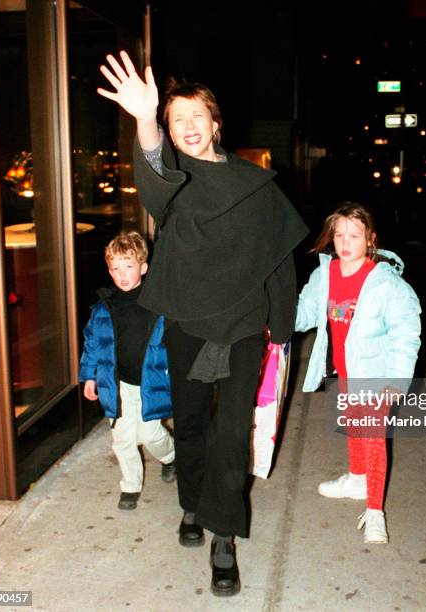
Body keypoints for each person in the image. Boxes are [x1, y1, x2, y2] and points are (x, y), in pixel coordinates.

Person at [97, 51, 308, 596]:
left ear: (216, 124)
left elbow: (280, 260)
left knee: (231, 434)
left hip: (241, 326)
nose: (188, 127)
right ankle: (191, 503)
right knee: (189, 426)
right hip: (185, 322)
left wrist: (281, 336)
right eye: (176, 120)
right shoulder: (175, 181)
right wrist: (144, 121)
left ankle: (224, 538)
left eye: (197, 117)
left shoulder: (257, 185)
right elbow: (155, 182)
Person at [295, 202, 421, 543]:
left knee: (373, 441)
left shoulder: (386, 284)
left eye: (355, 235)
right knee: (352, 426)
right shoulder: (324, 275)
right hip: (343, 371)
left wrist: (397, 381)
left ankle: (375, 511)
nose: (346, 242)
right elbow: (303, 314)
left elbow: (406, 334)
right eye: (339, 235)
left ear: (371, 239)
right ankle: (355, 479)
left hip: (375, 375)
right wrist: (270, 316)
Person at [79, 231, 176, 511]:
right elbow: (93, 343)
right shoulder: (104, 308)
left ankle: (170, 457)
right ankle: (130, 486)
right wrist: (89, 376)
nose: (122, 275)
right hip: (118, 384)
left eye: (129, 266)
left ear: (144, 268)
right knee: (122, 437)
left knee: (149, 434)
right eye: (115, 268)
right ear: (109, 271)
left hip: (150, 382)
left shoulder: (159, 303)